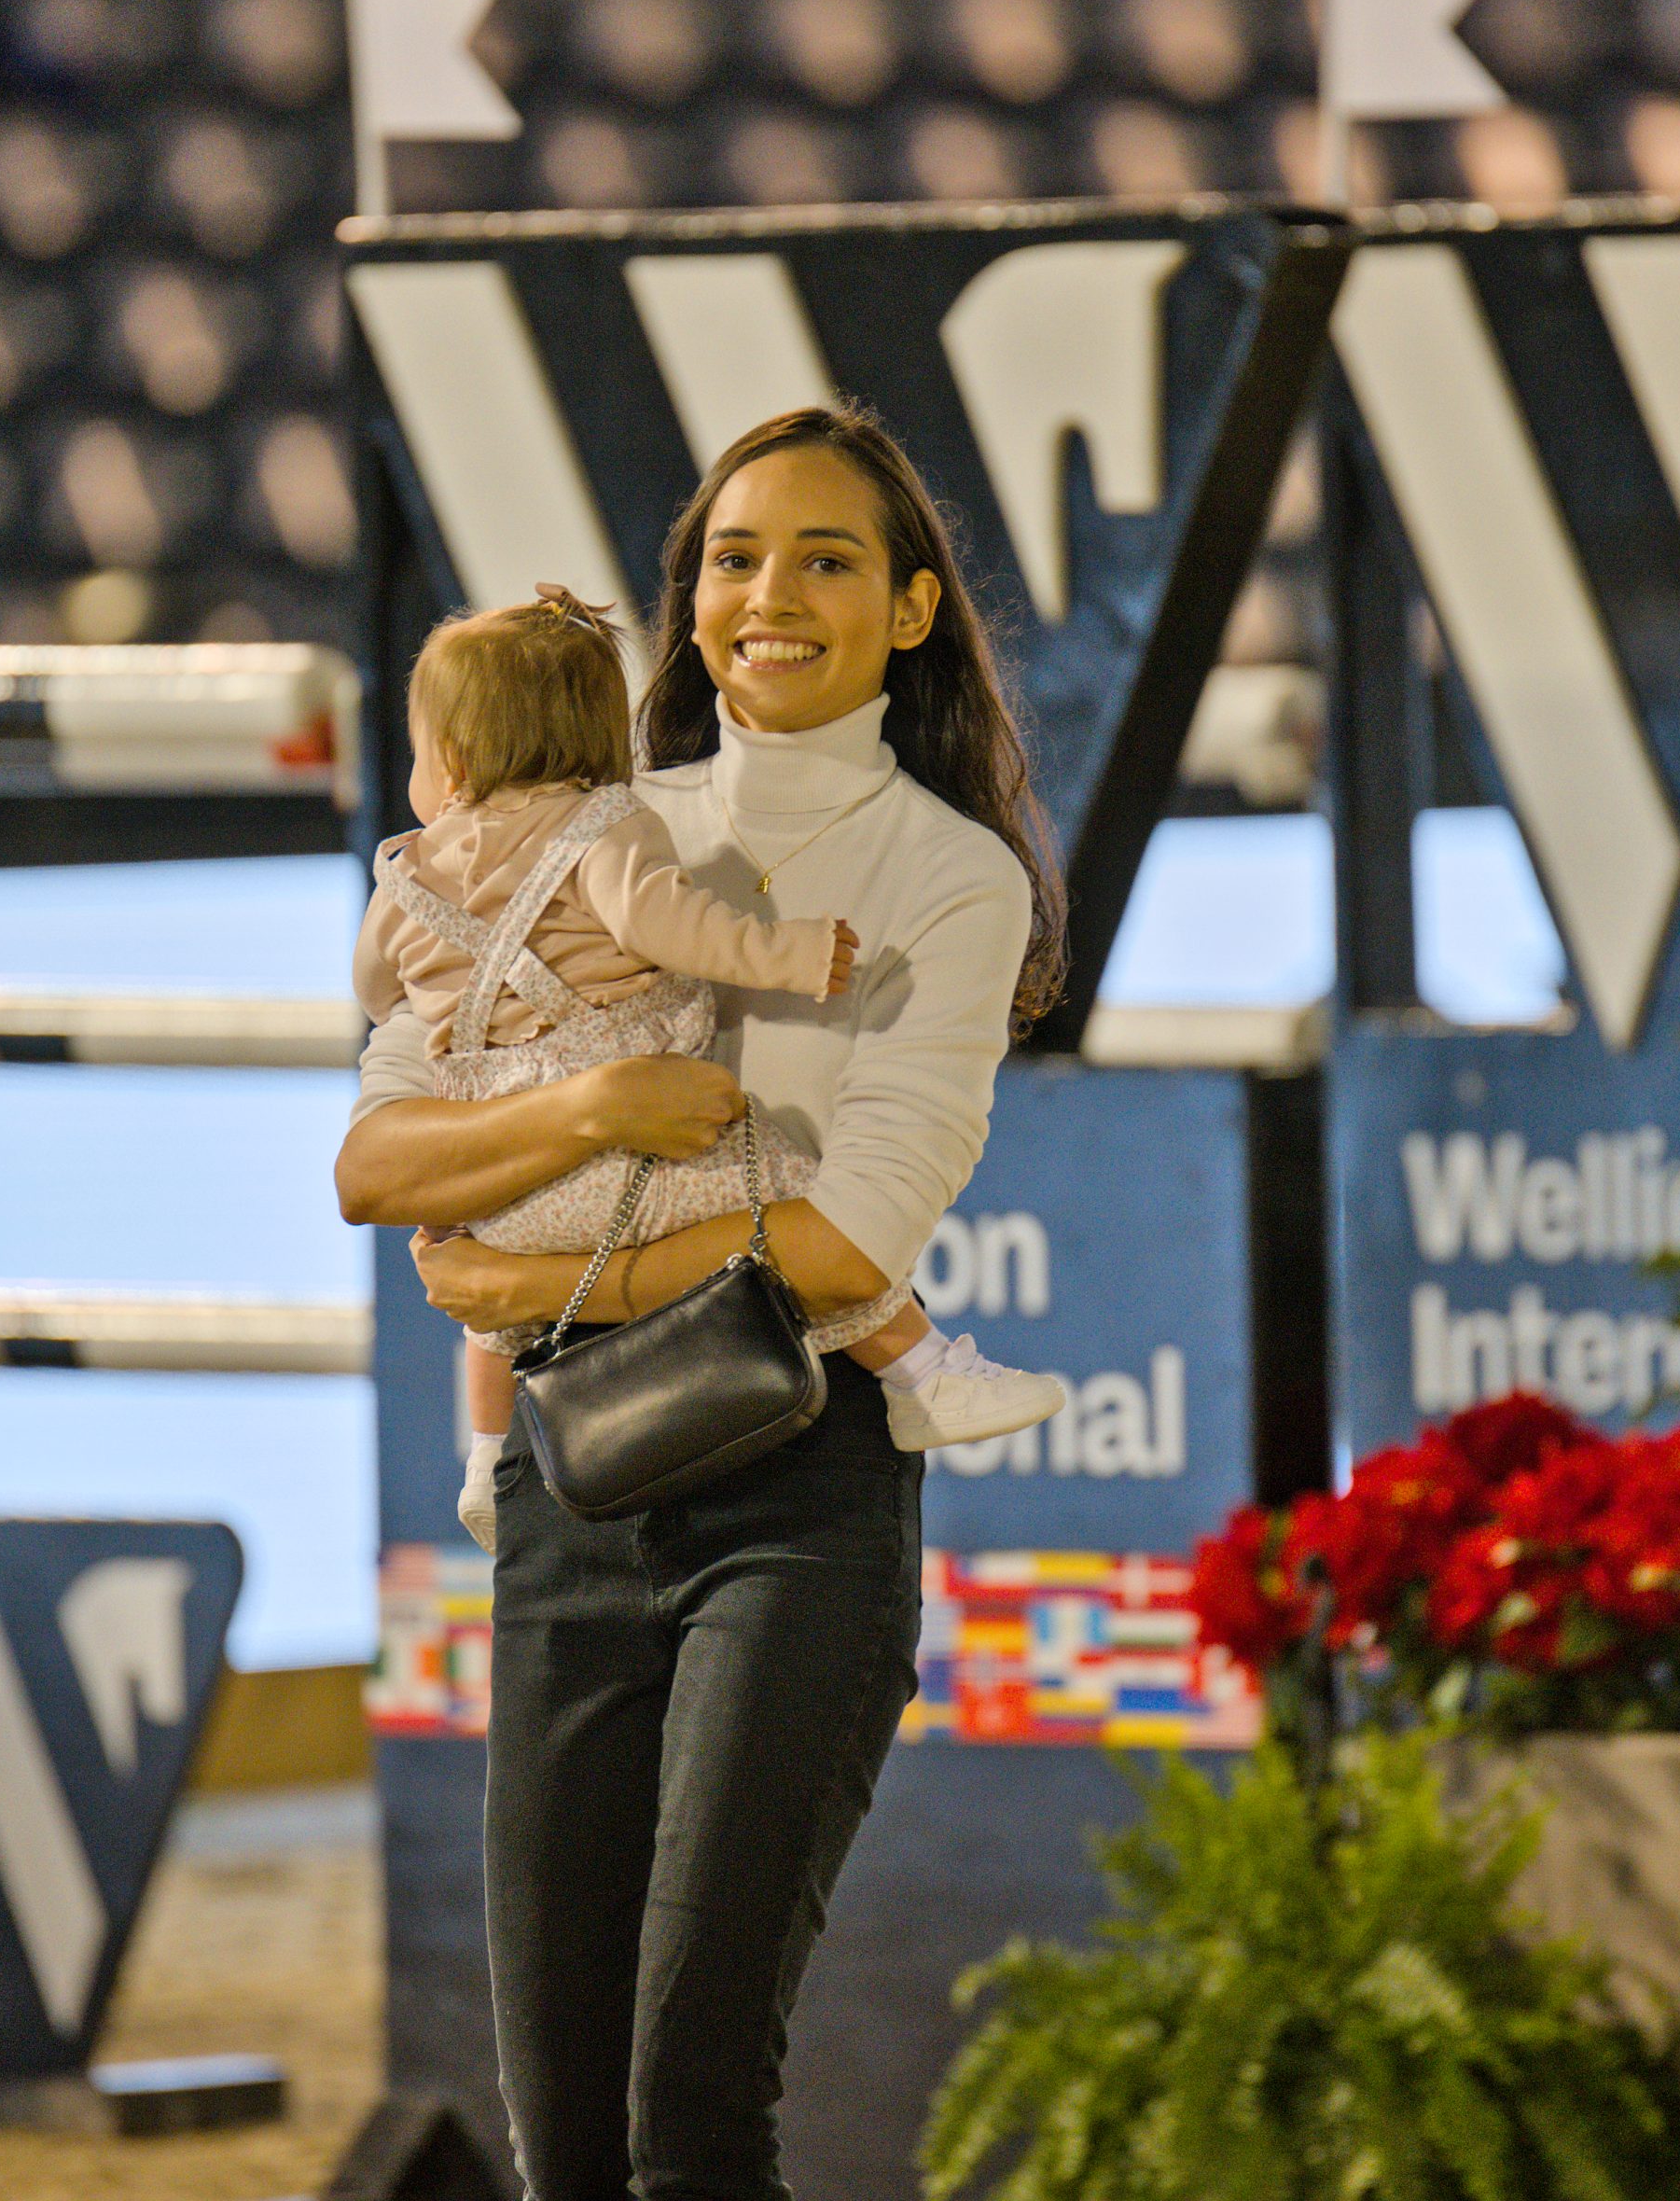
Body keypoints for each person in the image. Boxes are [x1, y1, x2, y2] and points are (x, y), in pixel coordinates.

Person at [333, 403, 1068, 2201]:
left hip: (796, 1497)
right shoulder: (567, 828)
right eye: (734, 557)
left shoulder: (950, 877)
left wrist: (527, 1271)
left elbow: (842, 1245)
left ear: (909, 612)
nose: (769, 594)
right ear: (685, 604)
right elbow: (378, 1161)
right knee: (564, 2138)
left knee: (685, 2108)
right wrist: (586, 1113)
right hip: (562, 1496)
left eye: (825, 558)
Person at [351, 580, 1064, 1549]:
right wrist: (793, 954)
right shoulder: (604, 828)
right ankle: (924, 1373)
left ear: (456, 757)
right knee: (781, 1194)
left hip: (508, 1189)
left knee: (484, 1298)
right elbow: (676, 927)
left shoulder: (404, 880)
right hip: (641, 1164)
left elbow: (376, 988)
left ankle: (485, 1456)